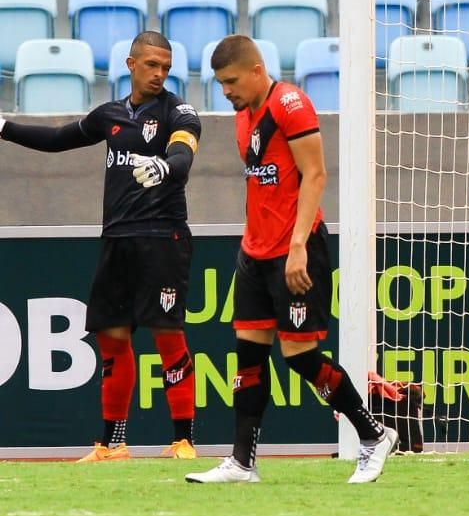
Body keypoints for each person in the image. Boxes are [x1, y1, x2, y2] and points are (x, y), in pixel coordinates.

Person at [187, 35, 399, 484]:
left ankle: (373, 435)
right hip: (255, 252)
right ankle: (242, 463)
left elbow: (316, 175)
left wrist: (298, 244)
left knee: (301, 355)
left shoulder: (290, 104)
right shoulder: (244, 117)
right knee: (247, 356)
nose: (225, 91)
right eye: (220, 83)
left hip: (295, 249)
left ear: (257, 71)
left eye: (231, 81)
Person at [0, 31, 202, 461]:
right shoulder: (110, 114)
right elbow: (58, 139)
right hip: (117, 240)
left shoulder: (178, 111)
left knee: (168, 337)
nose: (159, 74)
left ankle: (184, 440)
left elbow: (184, 155)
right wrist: (4, 128)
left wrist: (166, 166)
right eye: (152, 65)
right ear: (131, 64)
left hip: (162, 237)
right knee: (112, 341)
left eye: (166, 67)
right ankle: (113, 444)